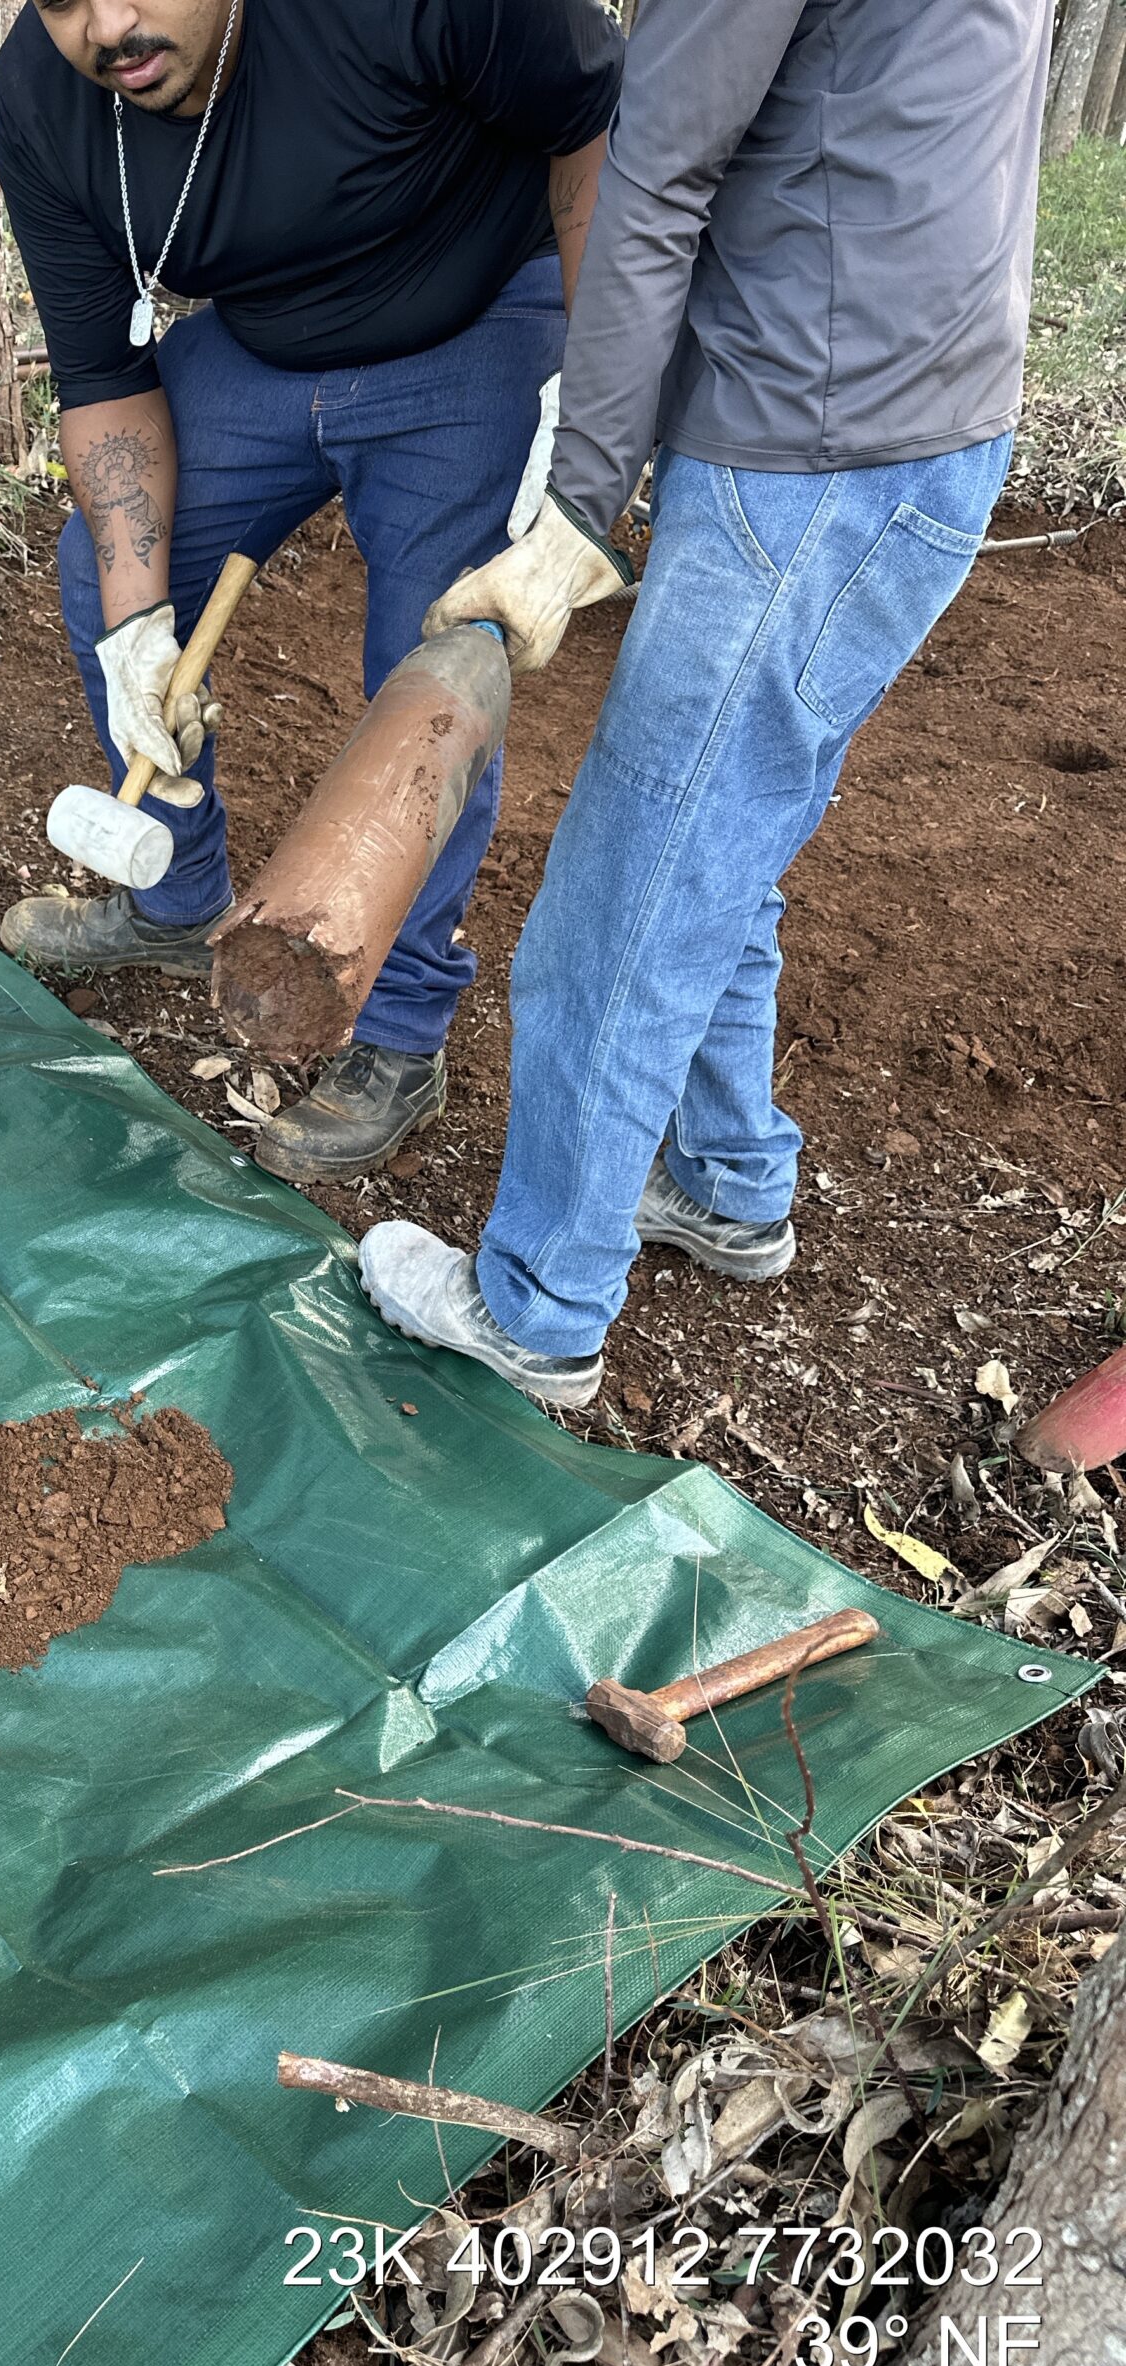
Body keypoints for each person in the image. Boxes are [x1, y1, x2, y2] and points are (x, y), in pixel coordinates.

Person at [360, 0, 1051, 1408]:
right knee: (725, 831)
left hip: (810, 443)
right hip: (931, 420)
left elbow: (657, 169)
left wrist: (582, 504)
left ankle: (539, 1304)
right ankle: (728, 1179)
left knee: (625, 899)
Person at [0, 0, 622, 1183]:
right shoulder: (40, 97)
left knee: (433, 667)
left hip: (480, 317)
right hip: (268, 349)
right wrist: (138, 629)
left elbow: (595, 123)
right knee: (107, 570)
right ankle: (176, 897)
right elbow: (101, 378)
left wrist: (599, 433)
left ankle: (398, 1024)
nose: (107, 27)